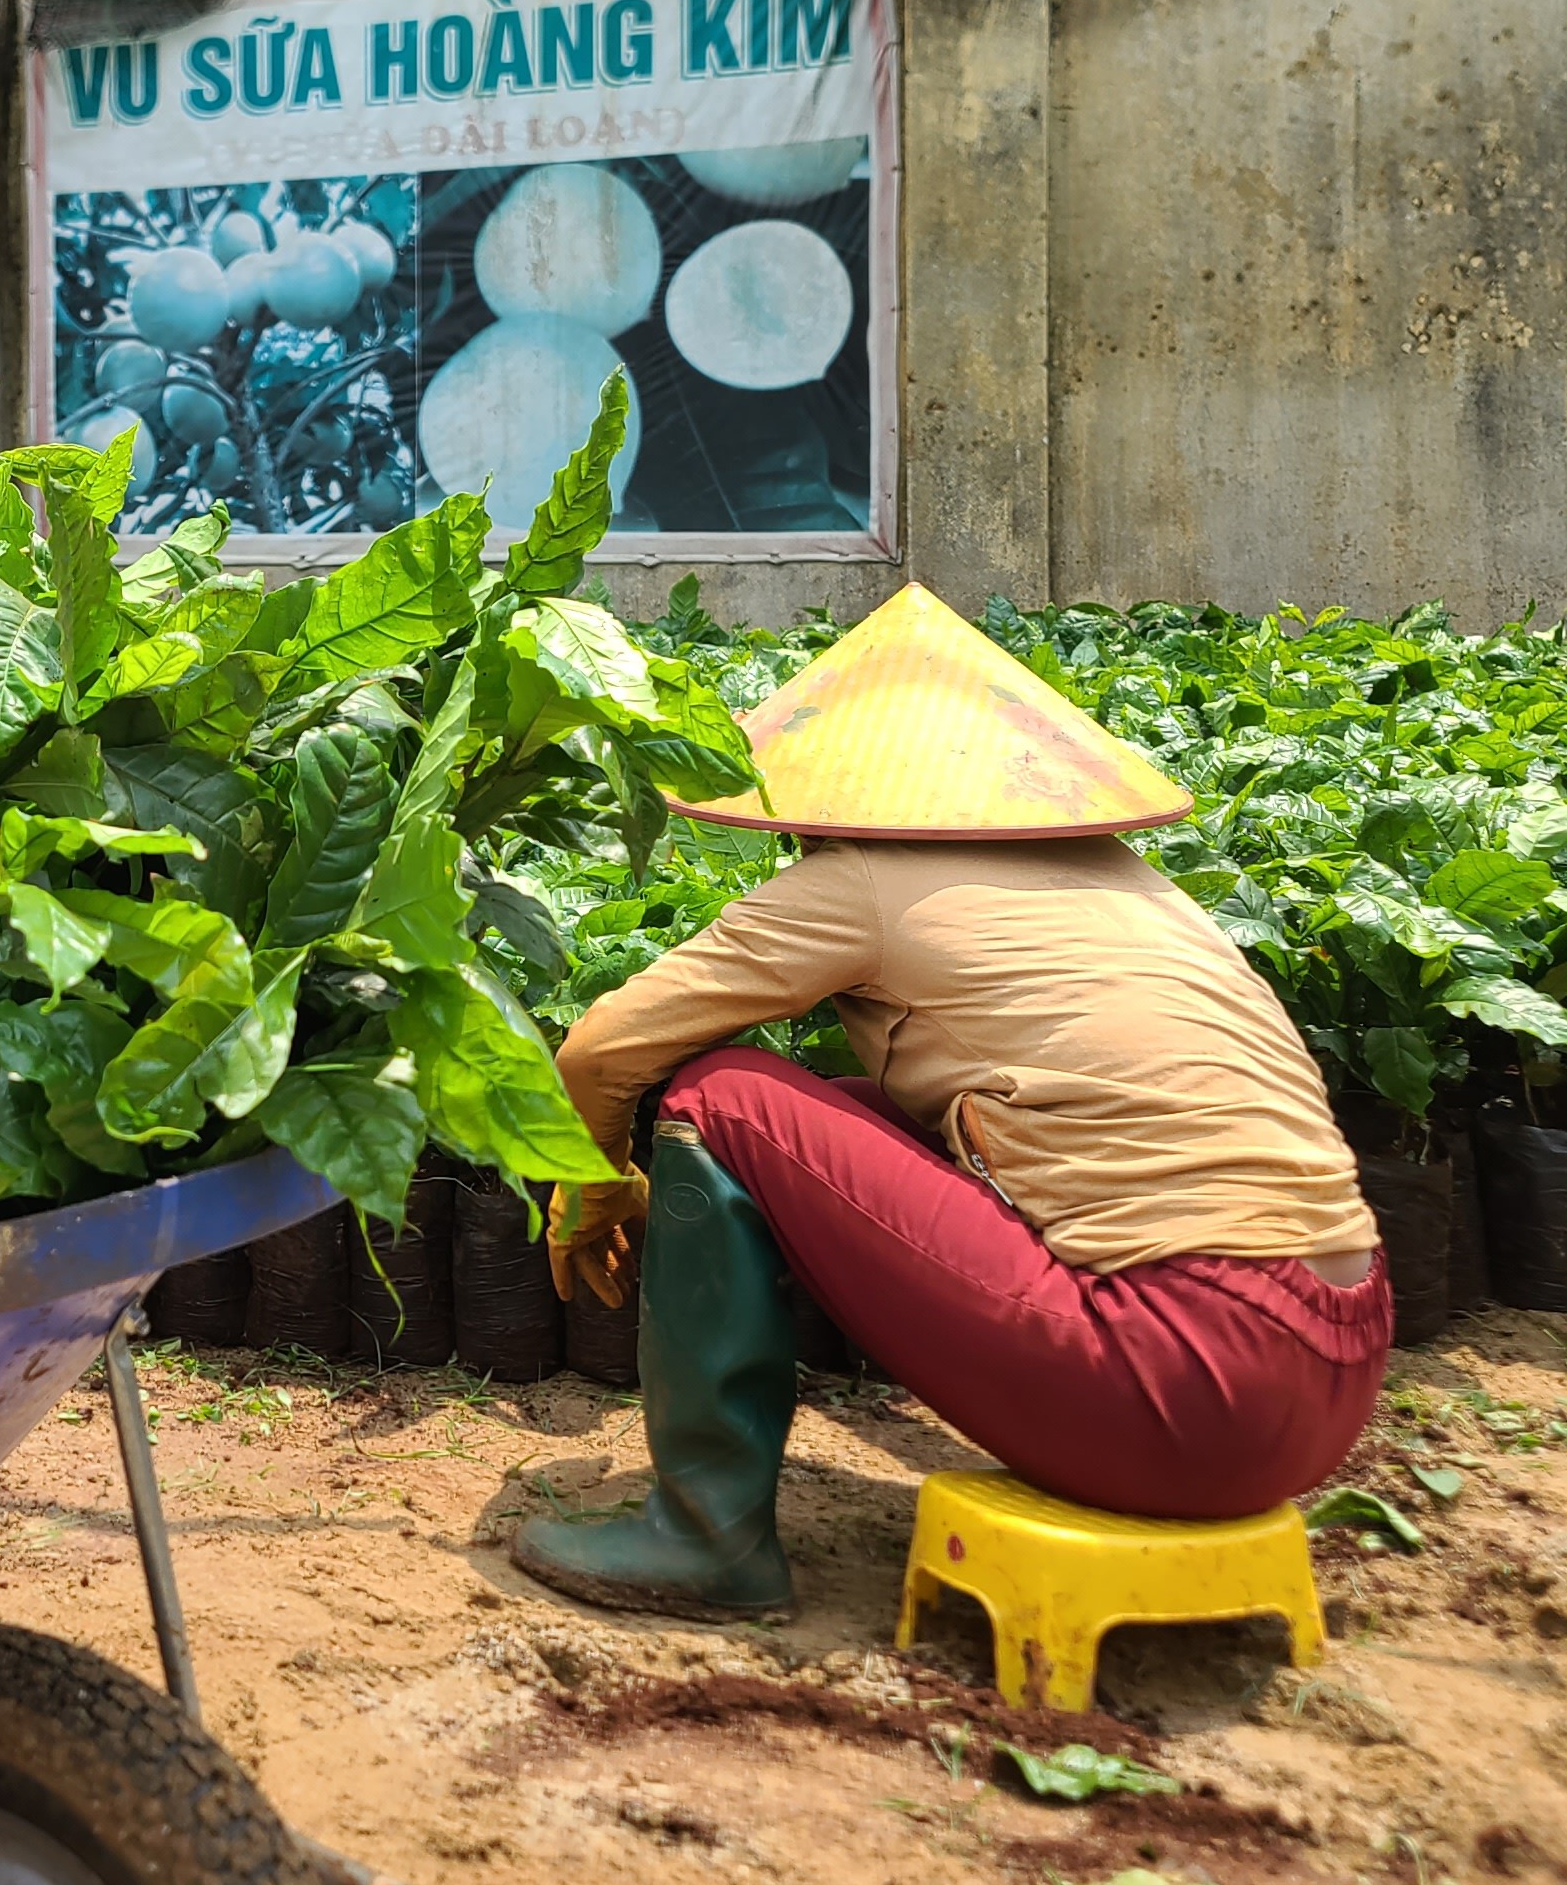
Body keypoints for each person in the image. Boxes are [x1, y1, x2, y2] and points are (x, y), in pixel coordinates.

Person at [510, 586, 1390, 1623]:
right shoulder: (1130, 883)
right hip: (1332, 1374)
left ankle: (703, 1542)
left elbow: (602, 1050)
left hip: (1179, 1390)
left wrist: (592, 1181)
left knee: (724, 1098)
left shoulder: (869, 880)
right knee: (846, 1107)